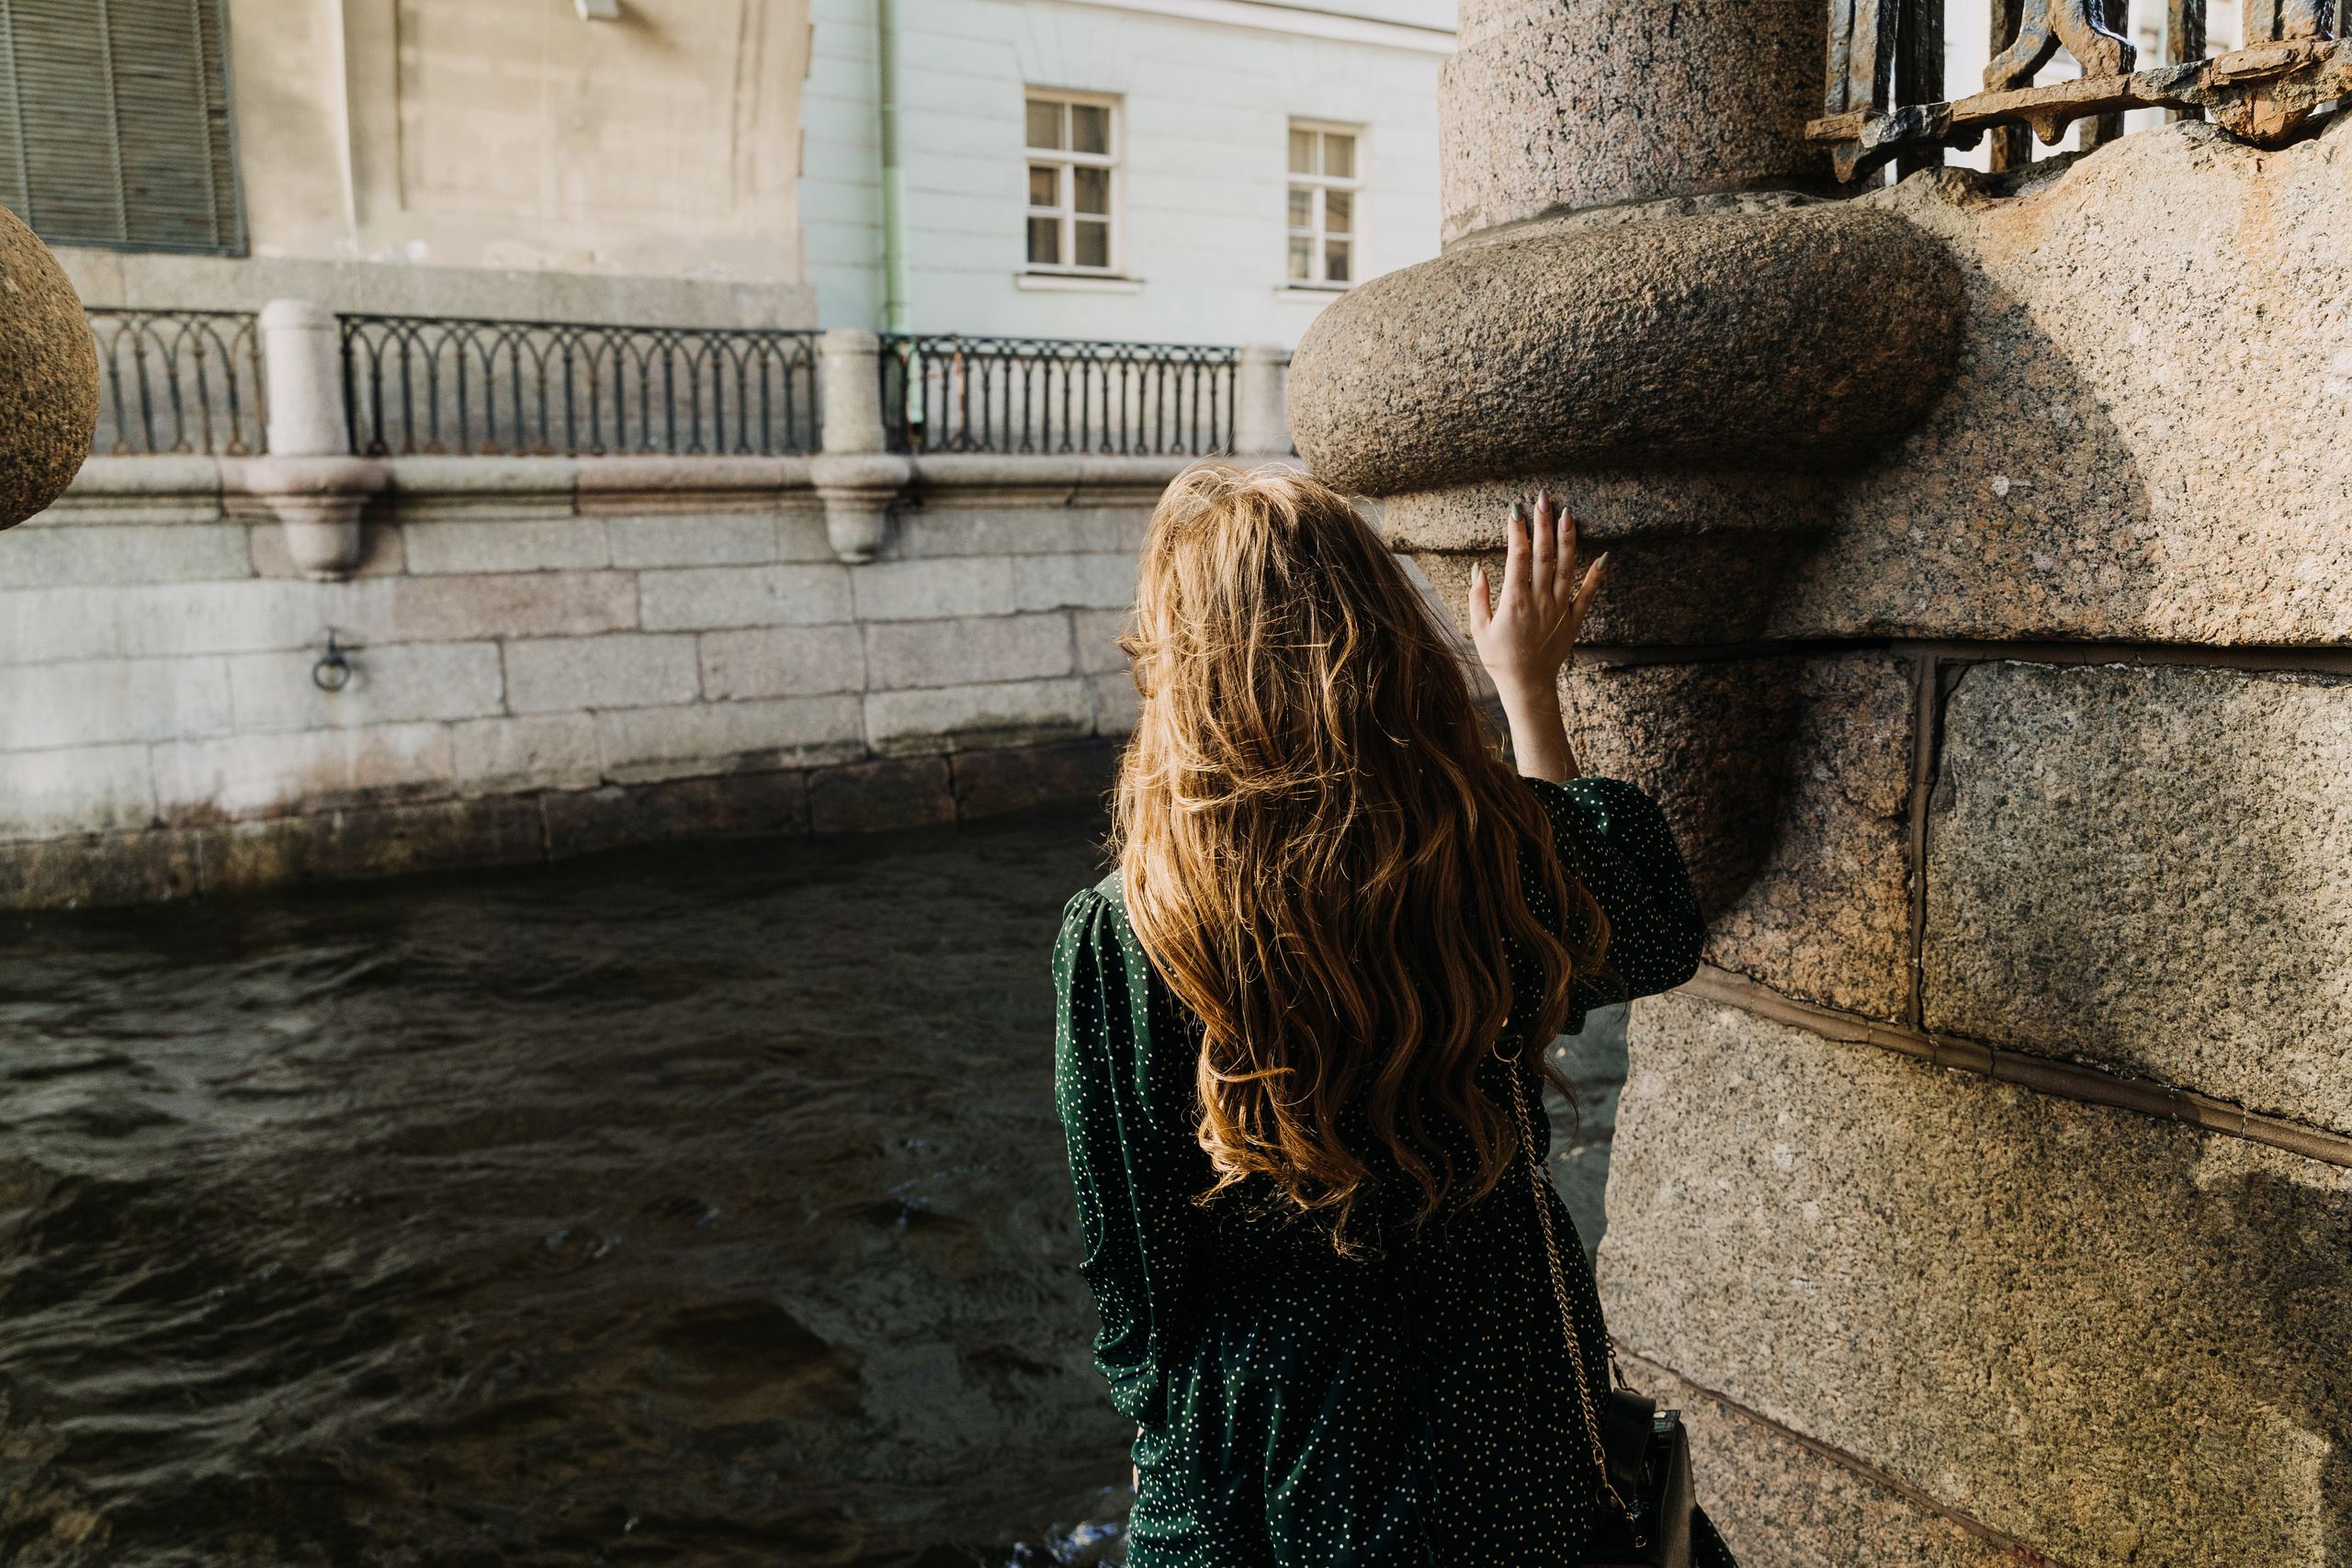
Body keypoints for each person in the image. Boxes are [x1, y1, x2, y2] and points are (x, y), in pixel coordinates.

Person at [1052, 466, 1724, 1565]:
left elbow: (1133, 1273)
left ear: (1180, 670)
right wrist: (1529, 693)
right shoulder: (1482, 860)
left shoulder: (1131, 932)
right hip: (1502, 1415)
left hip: (1264, 1452)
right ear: (1380, 636)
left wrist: (1159, 1444)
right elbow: (1639, 932)